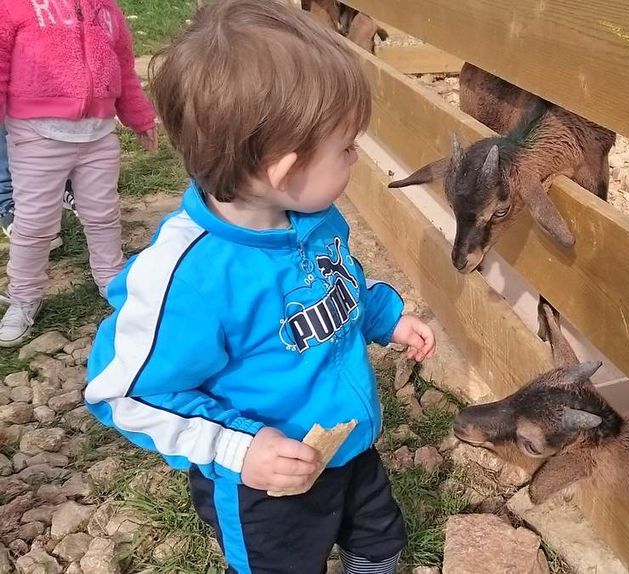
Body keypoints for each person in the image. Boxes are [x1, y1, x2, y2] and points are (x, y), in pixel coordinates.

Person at [84, 1, 436, 572]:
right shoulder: (190, 278)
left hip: (347, 438)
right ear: (283, 169)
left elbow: (337, 284)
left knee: (374, 527)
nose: (355, 158)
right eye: (346, 148)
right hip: (267, 482)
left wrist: (382, 317)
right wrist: (239, 448)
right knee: (285, 559)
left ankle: (370, 558)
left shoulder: (313, 217)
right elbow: (123, 392)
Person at [0, 0, 158, 346]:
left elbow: (125, 70)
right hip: (35, 133)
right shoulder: (15, 7)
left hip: (98, 133)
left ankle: (111, 279)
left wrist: (140, 118)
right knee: (35, 221)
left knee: (103, 212)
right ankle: (24, 295)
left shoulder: (108, 11)